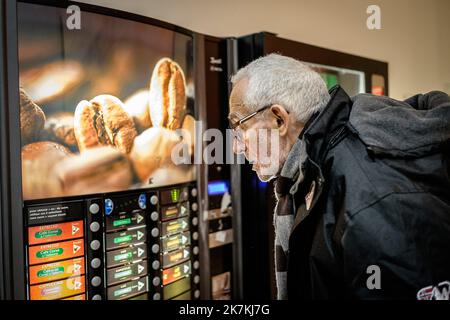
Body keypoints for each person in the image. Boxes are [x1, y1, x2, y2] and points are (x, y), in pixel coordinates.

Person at [228, 53, 450, 300]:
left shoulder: (370, 196)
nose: (236, 147)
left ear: (279, 119)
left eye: (239, 126)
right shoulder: (311, 168)